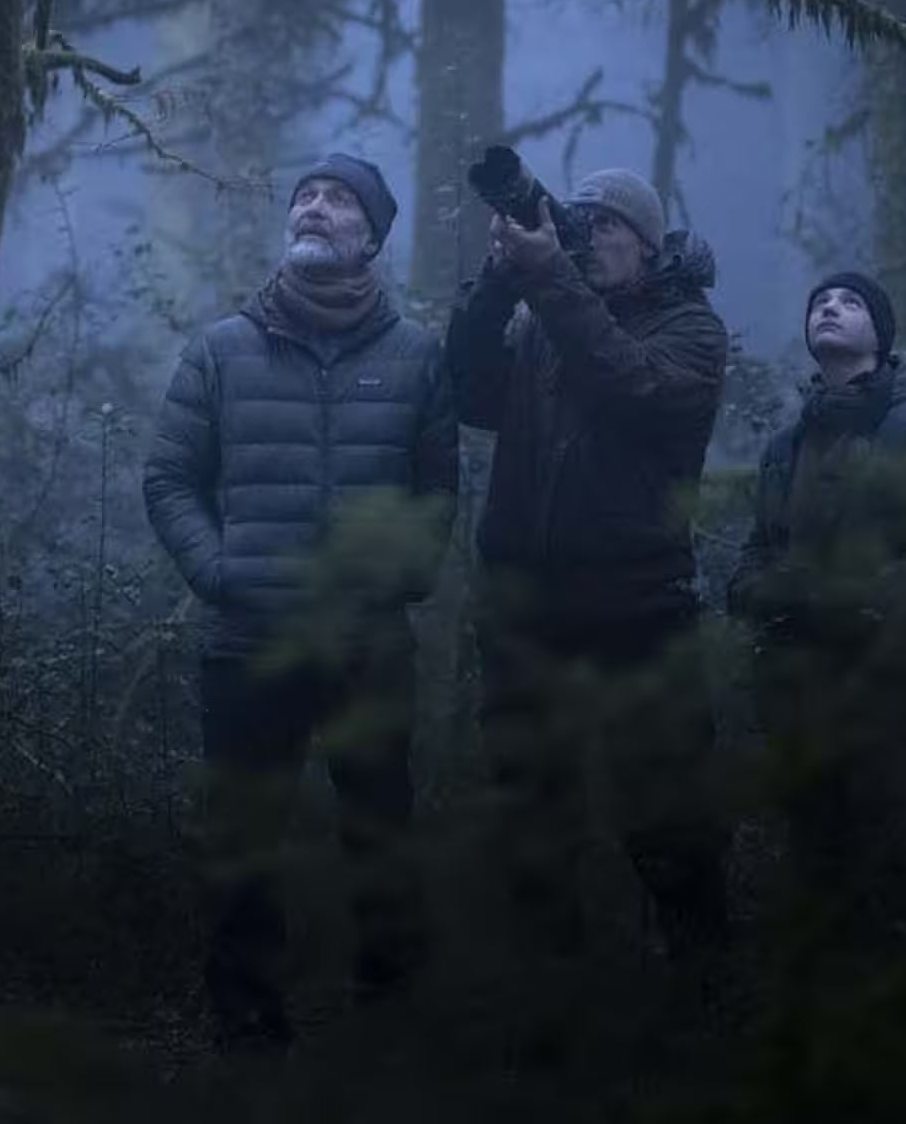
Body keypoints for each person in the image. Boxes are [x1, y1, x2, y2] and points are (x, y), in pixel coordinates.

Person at [143, 151, 458, 1050]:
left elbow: (437, 486)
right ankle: (247, 1027)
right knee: (244, 844)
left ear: (371, 235)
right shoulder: (221, 349)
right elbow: (169, 480)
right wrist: (220, 573)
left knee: (381, 835)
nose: (316, 208)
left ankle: (391, 1018)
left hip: (370, 644)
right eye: (306, 196)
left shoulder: (415, 356)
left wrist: (406, 572)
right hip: (248, 643)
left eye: (338, 200)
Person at [448, 167, 731, 968]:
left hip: (639, 607)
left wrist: (548, 279)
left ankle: (710, 990)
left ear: (647, 244)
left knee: (668, 817)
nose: (590, 237)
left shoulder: (691, 328)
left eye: (608, 225)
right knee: (532, 819)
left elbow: (629, 384)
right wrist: (502, 281)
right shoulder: (548, 319)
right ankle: (554, 1010)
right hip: (527, 614)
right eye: (580, 223)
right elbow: (469, 389)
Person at [726, 271, 906, 944]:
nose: (830, 310)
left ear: (879, 332)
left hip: (891, 692)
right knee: (816, 861)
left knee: (903, 855)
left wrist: (860, 602)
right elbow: (758, 549)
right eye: (819, 303)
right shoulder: (786, 446)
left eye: (849, 303)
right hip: (796, 692)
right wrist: (756, 592)